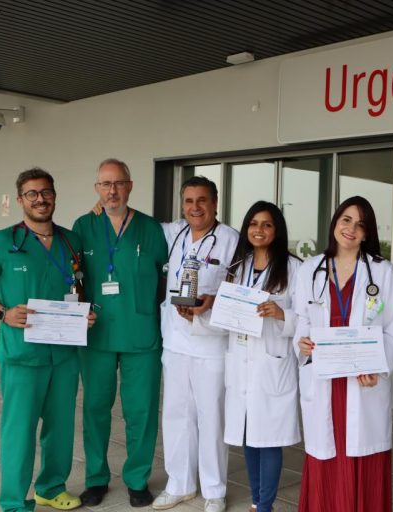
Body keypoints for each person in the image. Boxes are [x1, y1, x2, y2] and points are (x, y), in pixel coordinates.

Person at [0, 168, 95, 512]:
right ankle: (13, 501)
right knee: (19, 432)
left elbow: (78, 288)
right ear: (20, 199)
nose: (41, 199)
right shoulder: (3, 242)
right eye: (32, 193)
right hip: (22, 355)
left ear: (55, 195)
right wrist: (3, 313)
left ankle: (51, 488)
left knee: (60, 428)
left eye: (46, 192)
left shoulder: (71, 241)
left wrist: (85, 314)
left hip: (64, 355)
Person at [294, 195, 393, 512]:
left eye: (360, 224)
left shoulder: (382, 272)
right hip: (325, 381)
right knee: (325, 458)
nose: (351, 228)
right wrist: (301, 342)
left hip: (362, 382)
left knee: (362, 458)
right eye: (346, 219)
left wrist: (377, 365)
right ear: (335, 223)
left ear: (367, 233)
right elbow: (302, 321)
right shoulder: (310, 269)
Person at [191, 200, 302, 512]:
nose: (259, 230)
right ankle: (256, 500)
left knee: (268, 438)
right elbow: (226, 319)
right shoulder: (236, 267)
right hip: (240, 361)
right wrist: (197, 316)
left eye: (266, 224)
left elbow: (308, 319)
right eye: (253, 224)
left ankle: (265, 504)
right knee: (246, 436)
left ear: (276, 230)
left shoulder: (295, 268)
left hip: (271, 362)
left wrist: (282, 313)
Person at [72, 159, 168, 507]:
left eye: (118, 183)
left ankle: (137, 479)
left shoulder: (151, 229)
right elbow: (74, 277)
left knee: (141, 411)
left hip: (141, 334)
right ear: (97, 188)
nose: (112, 191)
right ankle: (96, 478)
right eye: (105, 184)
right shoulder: (83, 226)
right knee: (95, 408)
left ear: (130, 185)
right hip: (96, 335)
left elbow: (165, 277)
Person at [152, 176, 239, 512]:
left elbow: (241, 287)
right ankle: (180, 484)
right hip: (175, 340)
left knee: (211, 417)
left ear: (215, 203)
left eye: (202, 200)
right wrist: (104, 205)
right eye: (188, 201)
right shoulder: (174, 233)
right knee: (176, 415)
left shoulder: (231, 240)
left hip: (211, 343)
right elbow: (134, 224)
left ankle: (214, 489)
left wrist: (212, 301)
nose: (195, 207)